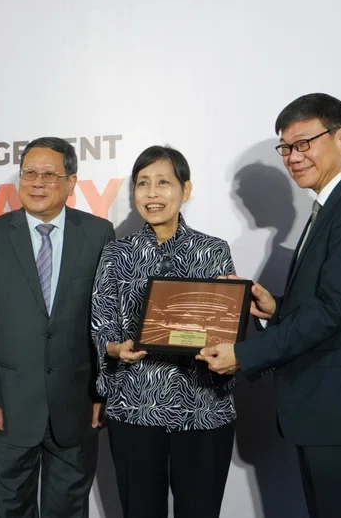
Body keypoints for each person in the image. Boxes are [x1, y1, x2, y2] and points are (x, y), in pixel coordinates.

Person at [201, 93, 341, 518]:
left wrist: (245, 354)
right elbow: (335, 301)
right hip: (329, 413)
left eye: (304, 143)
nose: (293, 157)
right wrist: (276, 308)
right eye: (286, 147)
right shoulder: (335, 204)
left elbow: (332, 310)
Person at [0, 136, 116, 518]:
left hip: (76, 408)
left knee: (69, 511)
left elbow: (107, 322)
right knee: (10, 510)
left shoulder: (98, 234)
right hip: (9, 410)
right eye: (29, 173)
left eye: (49, 174)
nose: (37, 183)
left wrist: (103, 391)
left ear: (71, 182)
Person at [91, 145, 237, 518]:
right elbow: (102, 323)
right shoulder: (116, 253)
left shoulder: (213, 250)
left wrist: (221, 347)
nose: (152, 193)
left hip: (203, 406)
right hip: (135, 406)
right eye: (142, 183)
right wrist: (115, 349)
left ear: (185, 190)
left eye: (163, 182)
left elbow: (227, 326)